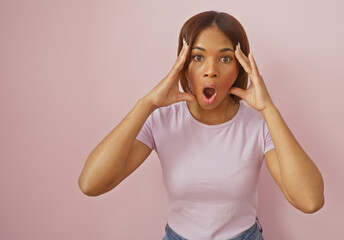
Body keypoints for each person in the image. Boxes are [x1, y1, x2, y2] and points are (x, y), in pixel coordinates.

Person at [78, 10, 325, 240]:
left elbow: (310, 201)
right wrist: (148, 103)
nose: (211, 70)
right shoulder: (161, 120)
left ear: (239, 67)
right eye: (198, 57)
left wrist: (268, 109)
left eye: (225, 58)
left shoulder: (258, 124)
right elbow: (91, 184)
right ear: (183, 66)